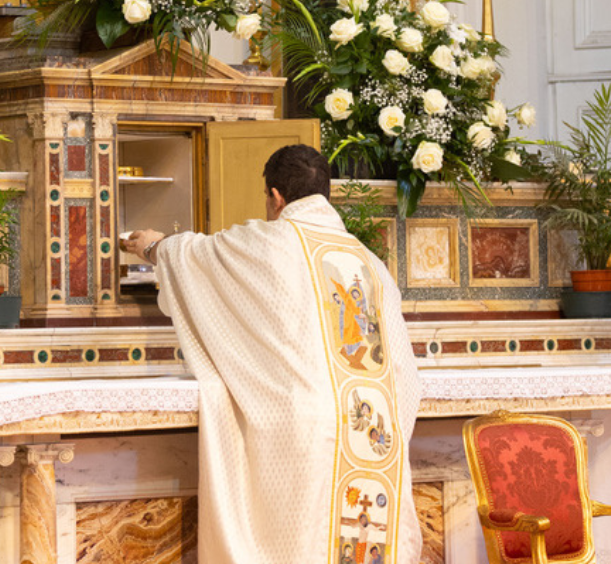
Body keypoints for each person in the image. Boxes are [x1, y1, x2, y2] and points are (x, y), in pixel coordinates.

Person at [121, 144, 422, 564]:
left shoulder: (269, 240)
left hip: (305, 430)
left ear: (276, 197)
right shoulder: (368, 261)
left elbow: (197, 255)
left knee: (303, 547)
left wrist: (154, 245)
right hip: (373, 431)